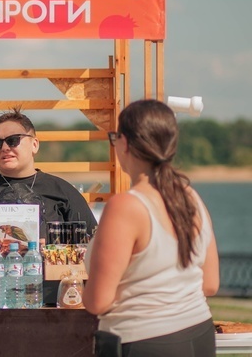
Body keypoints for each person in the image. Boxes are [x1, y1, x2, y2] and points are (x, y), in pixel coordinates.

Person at [83, 99, 219, 356]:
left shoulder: (125, 206)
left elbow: (97, 301)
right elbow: (210, 284)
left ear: (124, 143)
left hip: (143, 339)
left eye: (114, 138)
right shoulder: (190, 197)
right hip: (199, 331)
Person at [0, 107, 97, 267]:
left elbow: (93, 243)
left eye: (13, 140)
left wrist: (49, 250)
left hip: (49, 282)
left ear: (34, 145)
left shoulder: (63, 191)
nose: (4, 148)